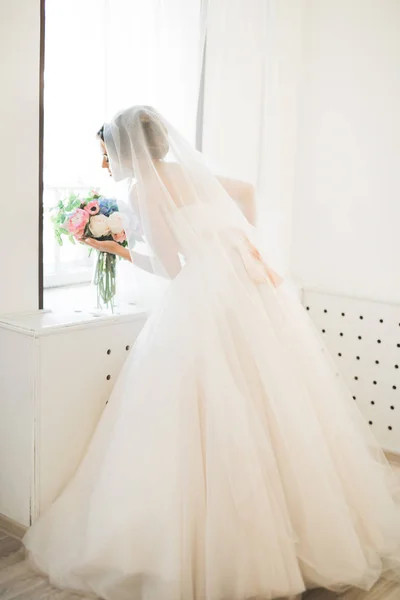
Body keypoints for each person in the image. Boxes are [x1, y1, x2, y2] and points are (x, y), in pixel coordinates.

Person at [23, 106, 400, 600]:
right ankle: (296, 532)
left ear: (126, 149)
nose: (105, 163)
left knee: (203, 413)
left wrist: (114, 250)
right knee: (268, 405)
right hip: (245, 294)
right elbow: (245, 191)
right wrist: (243, 247)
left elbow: (170, 268)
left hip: (202, 300)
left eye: (106, 153)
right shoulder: (184, 172)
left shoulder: (144, 188)